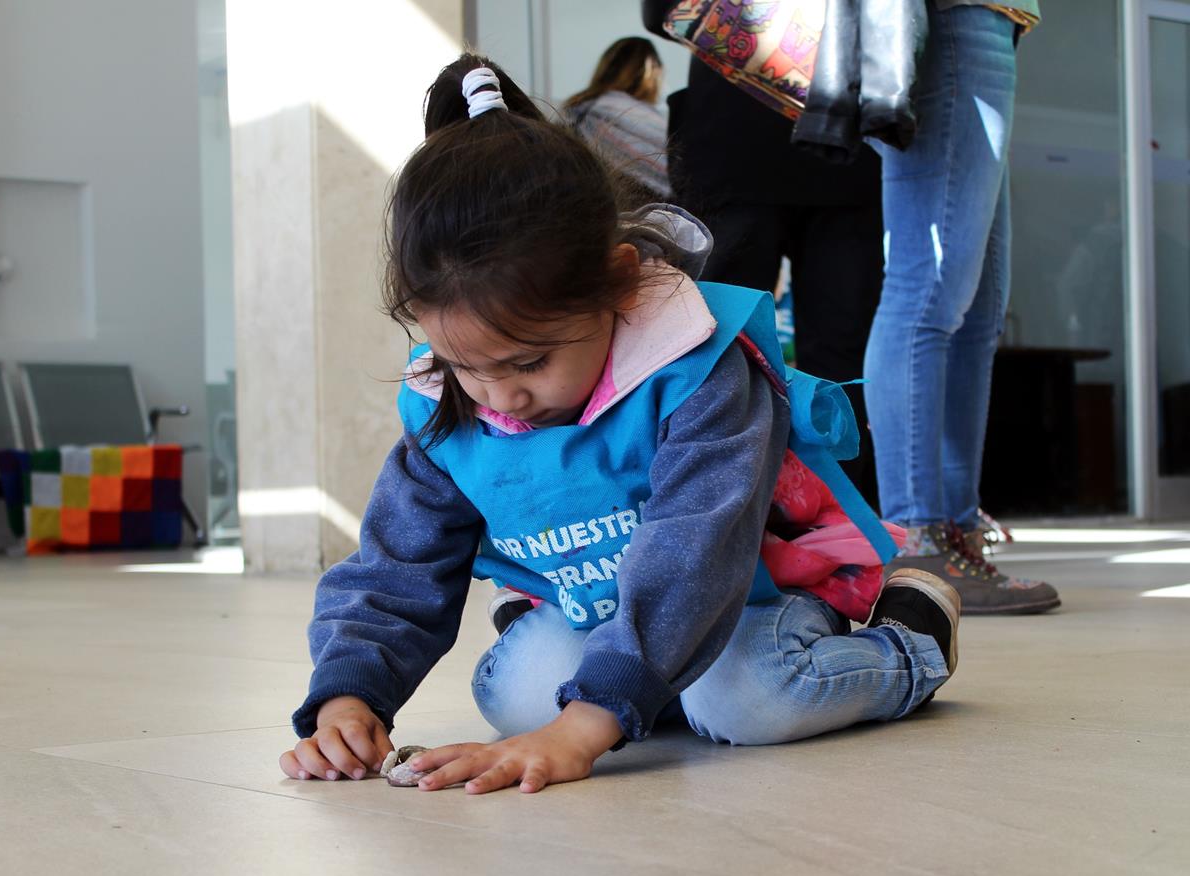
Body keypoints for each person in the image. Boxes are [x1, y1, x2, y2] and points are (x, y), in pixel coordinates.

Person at [280, 54, 961, 796]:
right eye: (467, 365)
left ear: (620, 281)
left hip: (746, 595)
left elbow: (694, 553)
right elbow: (398, 564)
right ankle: (616, 671)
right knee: (515, 699)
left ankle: (913, 637)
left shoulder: (695, 369)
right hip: (599, 605)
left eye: (530, 361)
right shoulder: (451, 398)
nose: (502, 395)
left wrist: (583, 728)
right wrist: (349, 695)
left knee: (746, 699)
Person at [861, 2, 1061, 614]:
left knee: (976, 313)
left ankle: (954, 531)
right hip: (956, 18)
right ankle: (917, 541)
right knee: (927, 292)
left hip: (990, 20)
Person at [663, 54, 884, 507]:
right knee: (832, 354)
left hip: (742, 129)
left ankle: (716, 509)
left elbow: (664, 18)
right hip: (835, 131)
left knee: (722, 349)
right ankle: (835, 518)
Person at [562, 37, 672, 200]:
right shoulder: (648, 121)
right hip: (645, 210)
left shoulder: (578, 114)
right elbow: (674, 175)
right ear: (651, 74)